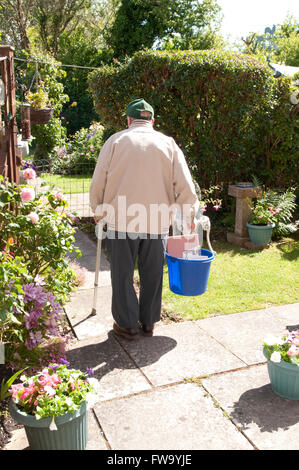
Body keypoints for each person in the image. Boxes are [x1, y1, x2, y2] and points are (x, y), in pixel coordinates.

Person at [89, 98, 199, 341]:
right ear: (152, 120)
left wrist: (98, 211)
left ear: (128, 120)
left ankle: (127, 325)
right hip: (157, 222)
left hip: (120, 221)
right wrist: (189, 215)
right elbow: (185, 185)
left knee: (122, 274)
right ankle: (148, 322)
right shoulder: (168, 143)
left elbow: (99, 180)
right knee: (152, 273)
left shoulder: (115, 141)